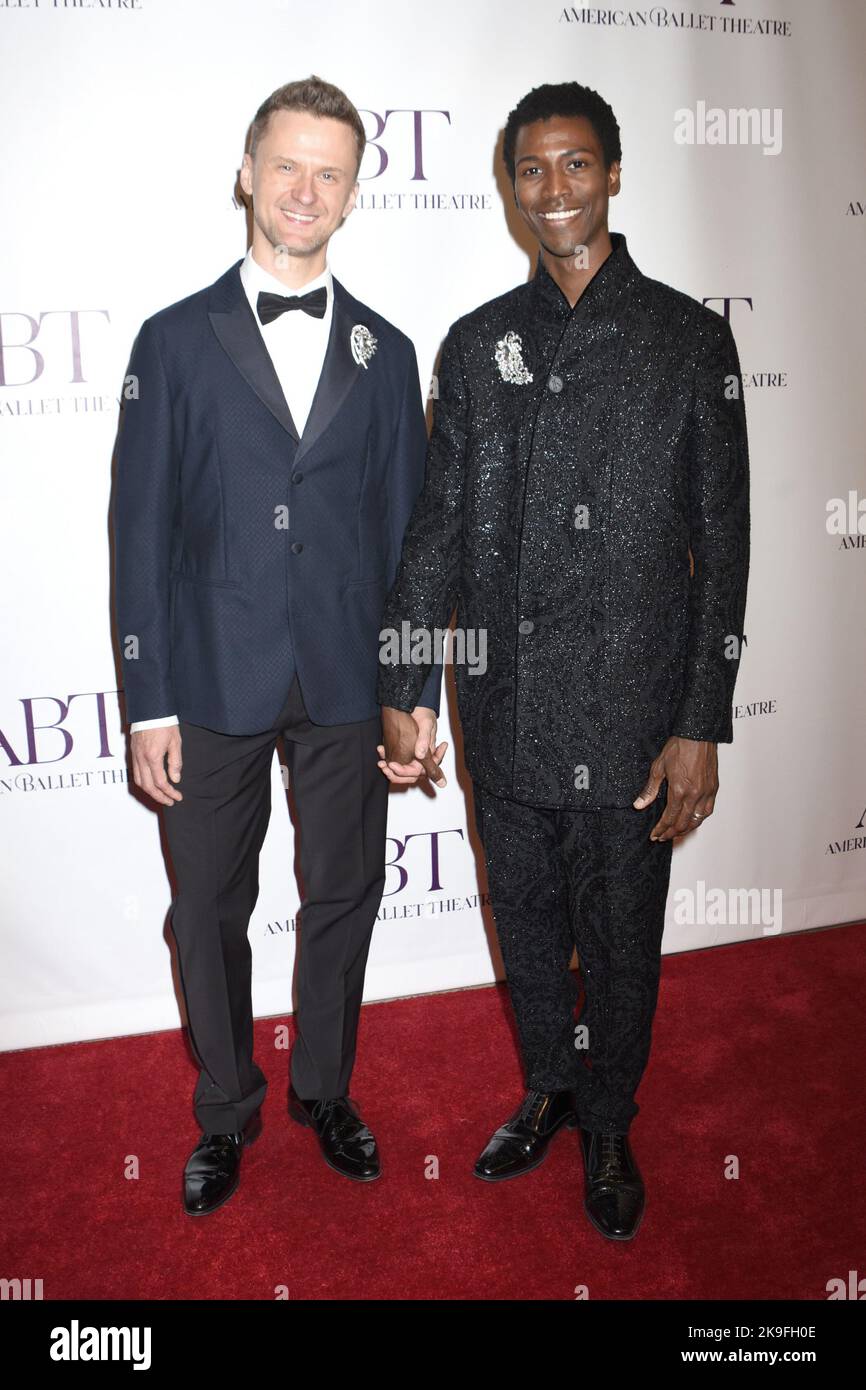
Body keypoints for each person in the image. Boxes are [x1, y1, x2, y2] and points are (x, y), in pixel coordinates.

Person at [376, 81, 750, 1241]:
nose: (552, 191)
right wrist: (404, 684)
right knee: (527, 922)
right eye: (530, 169)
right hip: (505, 707)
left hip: (636, 718)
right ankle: (547, 1084)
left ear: (613, 174)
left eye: (574, 165)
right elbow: (436, 532)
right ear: (508, 184)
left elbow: (724, 545)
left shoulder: (689, 338)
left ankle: (609, 1119)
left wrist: (701, 719)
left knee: (622, 937)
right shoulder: (477, 344)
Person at [112, 75, 443, 1216]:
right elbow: (137, 526)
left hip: (351, 680)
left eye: (330, 173)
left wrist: (412, 686)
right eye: (287, 166)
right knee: (205, 906)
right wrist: (146, 699)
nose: (305, 191)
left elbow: (414, 537)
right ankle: (225, 1109)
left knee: (342, 892)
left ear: (355, 193)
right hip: (206, 672)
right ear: (247, 173)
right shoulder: (172, 340)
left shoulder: (388, 352)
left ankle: (325, 1090)